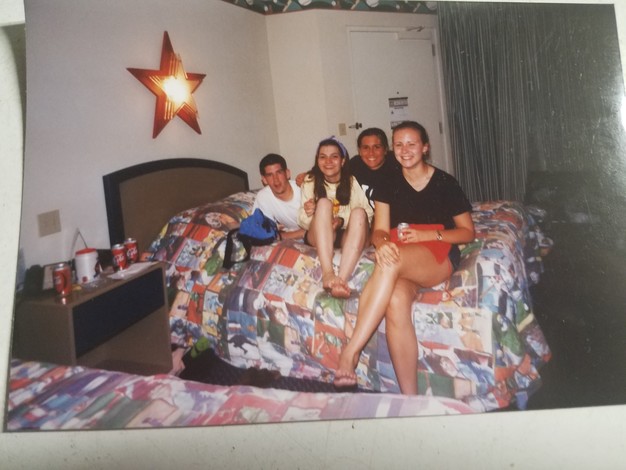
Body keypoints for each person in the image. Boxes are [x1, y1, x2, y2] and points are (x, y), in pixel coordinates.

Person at [334, 121, 475, 393]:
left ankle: (350, 351)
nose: (405, 150)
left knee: (391, 260)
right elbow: (379, 232)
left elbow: (467, 232)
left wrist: (427, 235)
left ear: (425, 147)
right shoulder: (387, 181)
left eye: (412, 143)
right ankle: (409, 398)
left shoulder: (445, 182)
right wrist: (381, 244)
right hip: (400, 249)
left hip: (437, 250)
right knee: (396, 300)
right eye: (398, 144)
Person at [298, 137, 374, 299]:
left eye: (334, 157)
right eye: (323, 157)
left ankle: (341, 280)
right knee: (323, 203)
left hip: (347, 236)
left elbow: (367, 214)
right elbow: (302, 220)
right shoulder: (310, 181)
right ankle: (328, 274)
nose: (328, 162)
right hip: (320, 235)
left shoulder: (352, 182)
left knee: (359, 212)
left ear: (342, 161)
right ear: (317, 160)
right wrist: (313, 213)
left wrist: (341, 221)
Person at [253, 153, 305, 240]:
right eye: (270, 175)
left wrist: (282, 236)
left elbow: (321, 224)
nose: (276, 180)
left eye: (279, 172)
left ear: (287, 173)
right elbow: (262, 231)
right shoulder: (263, 197)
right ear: (264, 180)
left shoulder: (303, 189)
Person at [348, 127, 399, 209]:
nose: (371, 153)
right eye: (366, 147)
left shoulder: (397, 165)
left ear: (385, 149)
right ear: (359, 151)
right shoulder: (354, 165)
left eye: (377, 147)